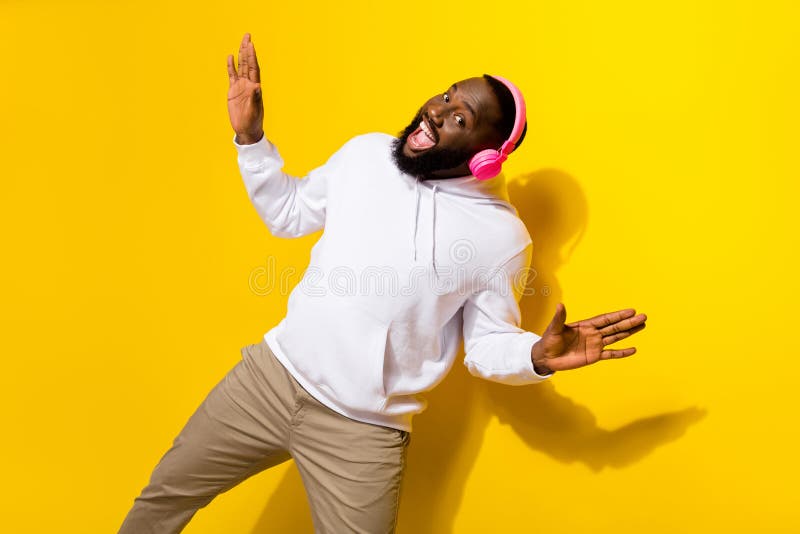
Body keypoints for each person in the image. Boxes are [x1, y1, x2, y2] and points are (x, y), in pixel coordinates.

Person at [119, 33, 647, 534]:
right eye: (446, 95)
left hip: (363, 431)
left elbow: (486, 345)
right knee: (162, 498)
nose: (436, 111)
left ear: (487, 157)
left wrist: (535, 356)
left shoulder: (502, 237)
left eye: (459, 117)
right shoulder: (367, 154)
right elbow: (289, 212)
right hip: (270, 380)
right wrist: (251, 139)